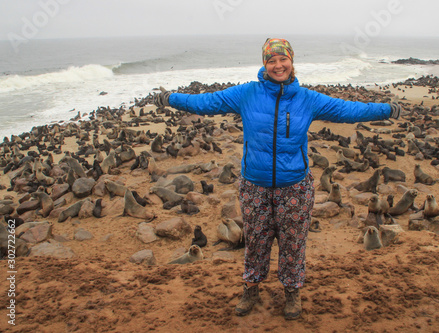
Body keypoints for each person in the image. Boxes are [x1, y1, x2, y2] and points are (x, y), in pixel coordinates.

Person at [154, 38, 401, 320]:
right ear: (264, 64)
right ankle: (251, 287)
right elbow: (207, 102)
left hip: (294, 186)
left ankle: (292, 292)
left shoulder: (308, 99)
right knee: (256, 242)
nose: (277, 65)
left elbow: (348, 110)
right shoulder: (247, 94)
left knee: (293, 243)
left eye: (282, 60)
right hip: (254, 186)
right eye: (271, 60)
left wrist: (385, 109)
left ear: (292, 62)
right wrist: (171, 99)